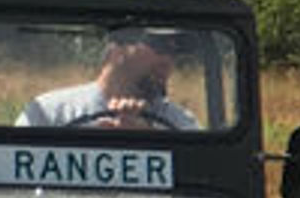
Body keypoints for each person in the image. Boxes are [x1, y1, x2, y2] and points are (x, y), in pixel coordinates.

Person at [20, 30, 201, 132]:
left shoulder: (179, 123)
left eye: (176, 52)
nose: (168, 61)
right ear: (119, 48)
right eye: (159, 46)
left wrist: (150, 139)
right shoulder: (50, 113)